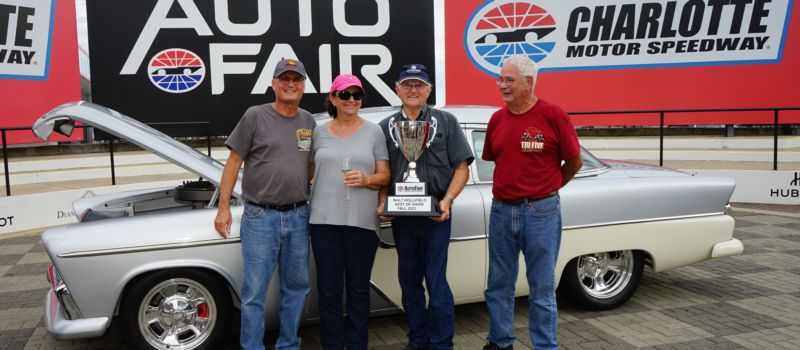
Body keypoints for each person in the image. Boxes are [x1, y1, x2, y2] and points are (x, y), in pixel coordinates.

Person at [481, 54, 583, 350]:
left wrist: (548, 189)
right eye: (500, 79)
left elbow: (574, 161)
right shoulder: (497, 119)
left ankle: (545, 346)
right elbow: (497, 159)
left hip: (541, 211)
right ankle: (500, 342)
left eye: (508, 80)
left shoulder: (553, 114)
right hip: (501, 210)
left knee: (541, 287)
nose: (502, 85)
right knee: (498, 284)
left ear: (529, 82)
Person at [213, 58, 316, 350]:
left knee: (296, 289)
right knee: (253, 292)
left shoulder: (308, 120)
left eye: (296, 79)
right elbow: (233, 163)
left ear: (303, 86)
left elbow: (308, 166)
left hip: (298, 216)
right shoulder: (254, 116)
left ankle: (289, 345)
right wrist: (223, 208)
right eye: (284, 78)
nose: (290, 84)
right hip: (260, 217)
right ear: (273, 83)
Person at [377, 64, 474, 350]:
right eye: (407, 84)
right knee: (408, 282)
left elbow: (461, 168)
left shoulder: (446, 122)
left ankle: (442, 343)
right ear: (397, 88)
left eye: (419, 85)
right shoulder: (386, 127)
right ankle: (418, 339)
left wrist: (447, 200)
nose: (413, 90)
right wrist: (382, 200)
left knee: (436, 280)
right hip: (402, 217)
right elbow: (383, 172)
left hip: (436, 217)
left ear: (429, 89)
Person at [308, 74, 390, 349]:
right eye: (345, 94)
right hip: (323, 222)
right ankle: (332, 344)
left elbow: (385, 176)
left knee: (358, 289)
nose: (352, 100)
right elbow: (307, 173)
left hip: (362, 222)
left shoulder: (374, 131)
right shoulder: (318, 131)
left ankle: (357, 344)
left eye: (357, 95)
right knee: (329, 290)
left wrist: (367, 180)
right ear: (333, 98)